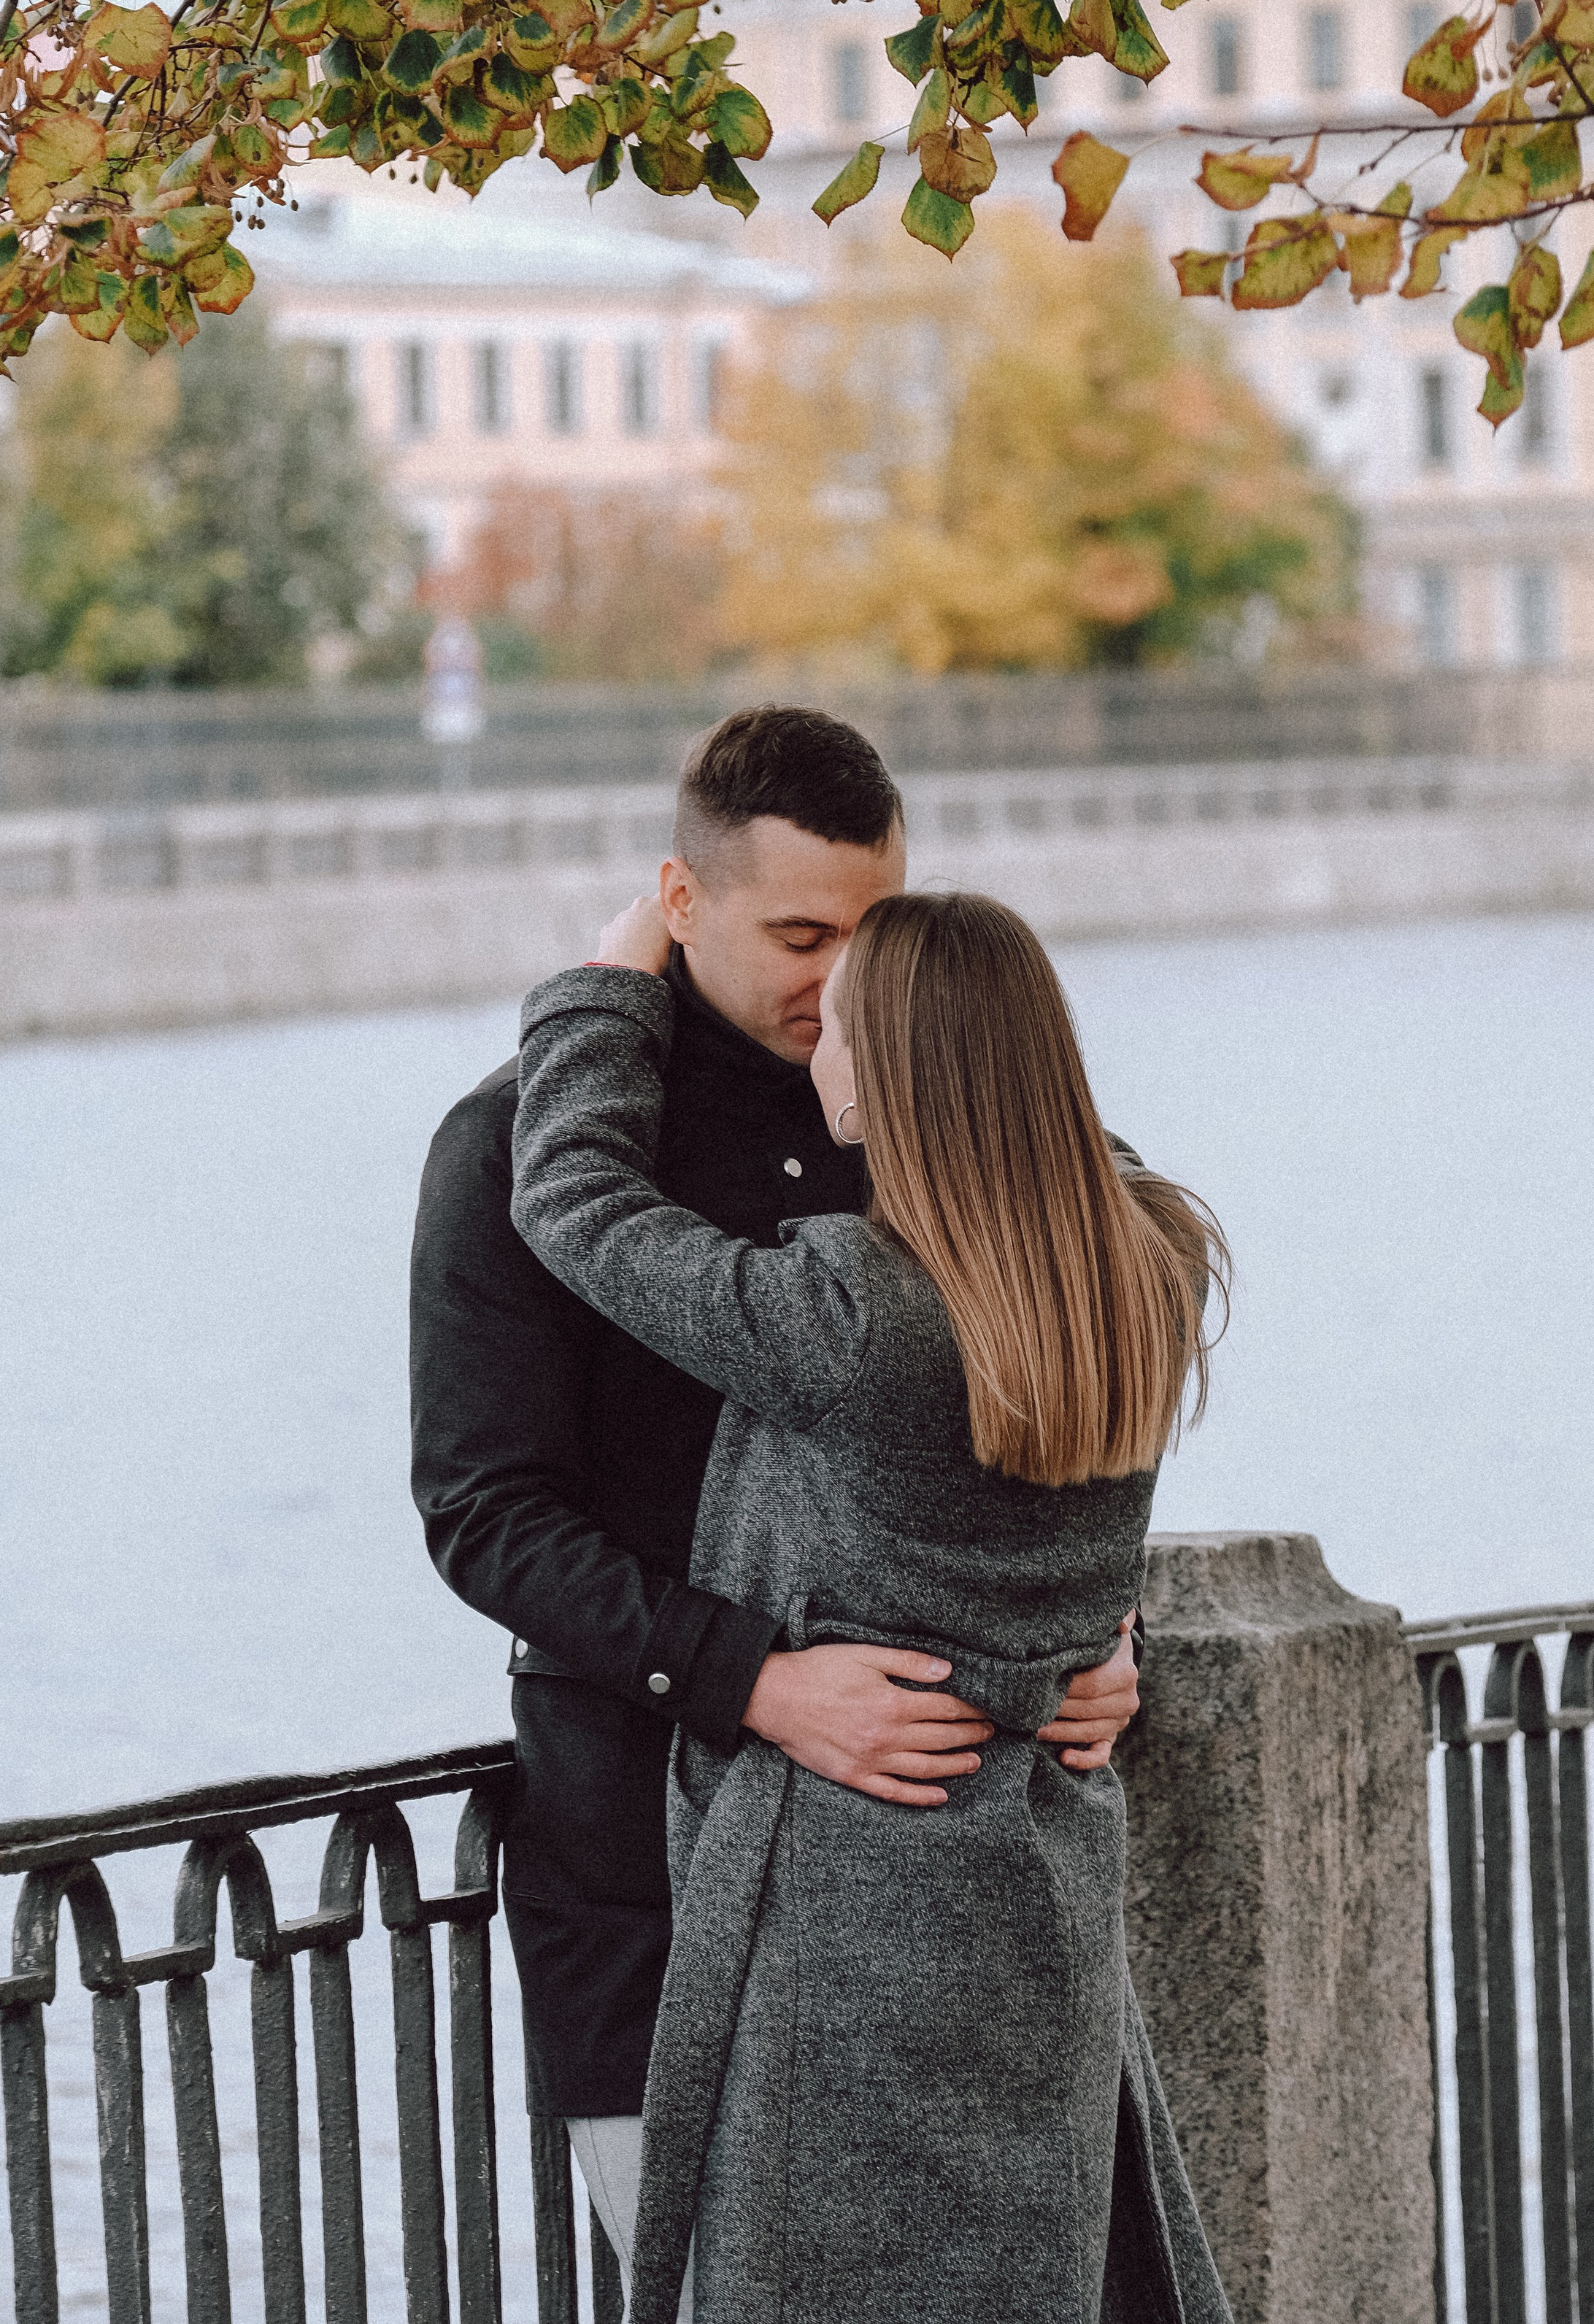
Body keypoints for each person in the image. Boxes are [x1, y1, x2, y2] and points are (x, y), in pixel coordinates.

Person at [409, 708, 1141, 2283]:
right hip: (648, 1876)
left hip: (968, 1900)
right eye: (801, 934)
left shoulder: (947, 1127)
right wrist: (757, 1685)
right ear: (681, 903)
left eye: (875, 934)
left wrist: (1101, 1624)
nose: (845, 980)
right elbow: (485, 1515)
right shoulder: (516, 1141)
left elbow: (1065, 1380)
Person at [509, 886, 1233, 2324]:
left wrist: (605, 988)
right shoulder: (1145, 1261)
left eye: (842, 1026)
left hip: (851, 1908)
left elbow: (571, 1201)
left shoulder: (846, 1311)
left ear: (896, 1067)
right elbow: (1066, 1157)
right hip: (1043, 1881)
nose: (815, 1052)